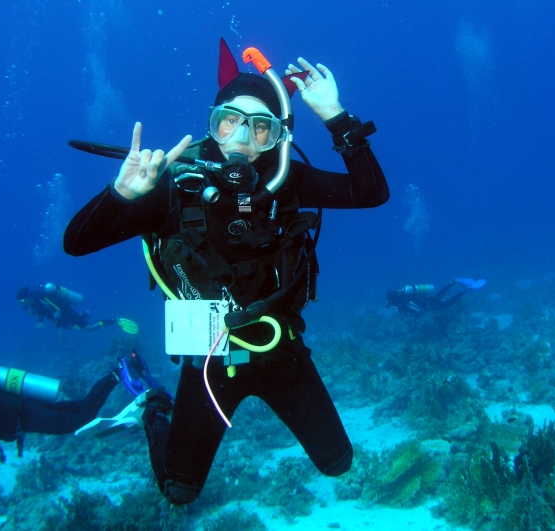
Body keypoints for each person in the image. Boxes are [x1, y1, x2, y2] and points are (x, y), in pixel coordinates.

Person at [63, 38, 389, 504]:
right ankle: (153, 409)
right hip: (207, 358)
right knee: (179, 491)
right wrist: (121, 195)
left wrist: (336, 116)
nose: (241, 138)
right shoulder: (174, 185)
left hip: (279, 349)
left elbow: (371, 193)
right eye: (229, 120)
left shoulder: (285, 180)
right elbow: (76, 244)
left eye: (260, 127)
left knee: (338, 463)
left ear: (278, 135)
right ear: (212, 123)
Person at [0, 355, 150, 462]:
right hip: (25, 403)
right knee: (80, 406)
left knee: (80, 420)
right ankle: (120, 369)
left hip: (24, 417)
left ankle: (118, 373)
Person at [16, 282, 138, 334]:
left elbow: (56, 308)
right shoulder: (34, 303)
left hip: (66, 313)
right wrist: (39, 322)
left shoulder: (40, 296)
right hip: (65, 318)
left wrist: (58, 321)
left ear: (26, 297)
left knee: (89, 328)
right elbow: (41, 312)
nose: (22, 304)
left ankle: (115, 321)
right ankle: (84, 315)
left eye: (22, 300)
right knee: (78, 325)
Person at [386, 278, 486, 314]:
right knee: (438, 296)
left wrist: (415, 318)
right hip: (426, 300)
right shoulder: (402, 296)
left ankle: (465, 290)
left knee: (446, 304)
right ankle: (451, 283)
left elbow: (420, 311)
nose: (390, 304)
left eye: (390, 302)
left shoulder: (404, 303)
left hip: (428, 305)